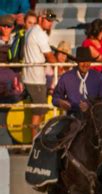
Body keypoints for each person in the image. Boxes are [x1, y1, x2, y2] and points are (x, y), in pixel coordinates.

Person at [22, 8, 58, 137]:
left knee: (39, 112)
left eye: (52, 21)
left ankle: (35, 141)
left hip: (29, 77)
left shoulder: (30, 31)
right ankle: (35, 144)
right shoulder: (39, 33)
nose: (50, 23)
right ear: (41, 19)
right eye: (48, 20)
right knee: (38, 113)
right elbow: (49, 56)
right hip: (36, 79)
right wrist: (60, 65)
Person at [52, 47, 102, 118]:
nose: (85, 64)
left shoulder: (100, 77)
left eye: (87, 61)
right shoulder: (66, 77)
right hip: (73, 116)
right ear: (77, 62)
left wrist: (89, 105)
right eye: (82, 61)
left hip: (95, 117)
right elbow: (55, 98)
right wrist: (60, 102)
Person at [0, 45, 23, 143]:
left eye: (5, 54)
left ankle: (15, 143)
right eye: (1, 53)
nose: (2, 56)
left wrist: (10, 92)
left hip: (12, 102)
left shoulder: (14, 72)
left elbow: (18, 90)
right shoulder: (14, 72)